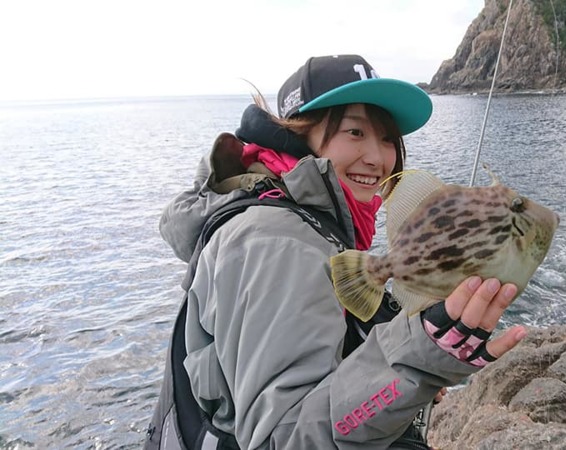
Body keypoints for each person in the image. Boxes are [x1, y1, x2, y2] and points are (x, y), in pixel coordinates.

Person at [145, 54, 527, 450]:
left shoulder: (303, 221)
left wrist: (401, 389)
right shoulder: (279, 242)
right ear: (299, 131)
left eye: (386, 138)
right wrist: (420, 359)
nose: (378, 158)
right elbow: (285, 437)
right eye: (355, 133)